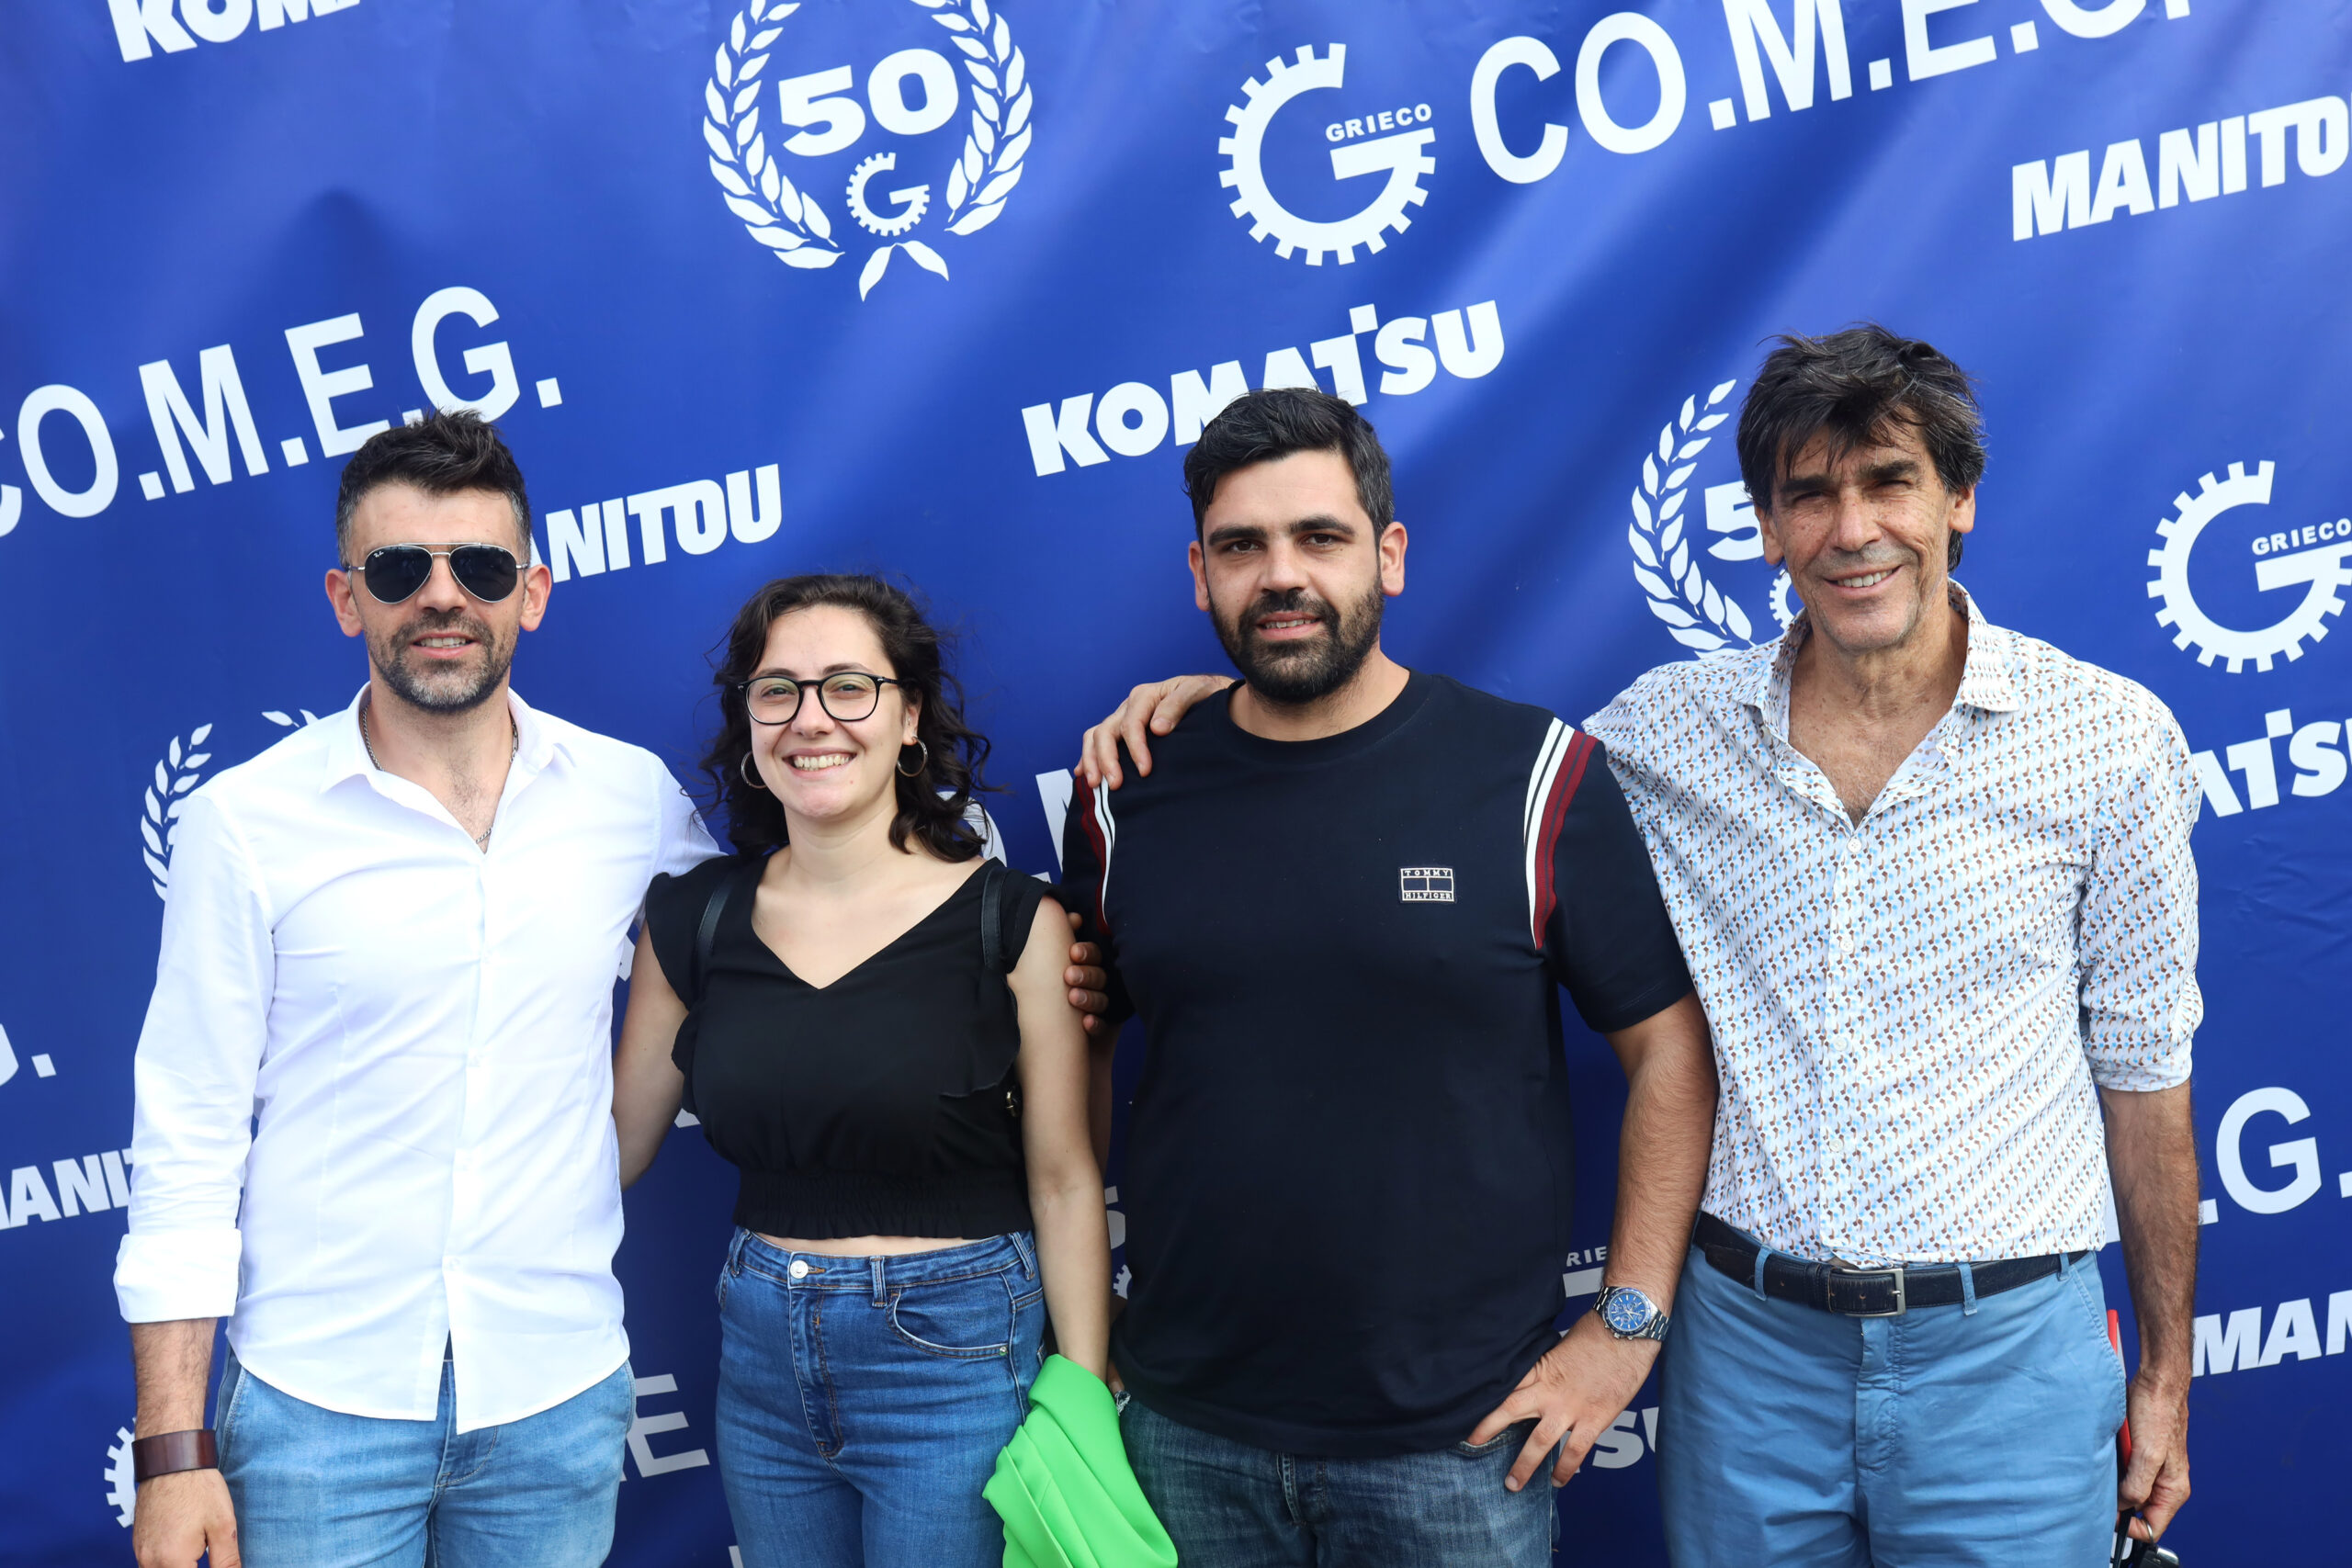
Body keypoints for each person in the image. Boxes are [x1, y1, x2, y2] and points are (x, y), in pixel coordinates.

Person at [1093, 330, 2203, 1564]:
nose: (1852, 529)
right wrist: (1222, 704)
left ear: (1959, 498)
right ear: (1766, 528)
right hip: (1752, 1353)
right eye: (1808, 494)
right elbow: (1406, 767)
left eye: (1889, 481)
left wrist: (2165, 1373)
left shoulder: (2109, 742)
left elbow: (2146, 1077)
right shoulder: (1660, 735)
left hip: (2008, 1347)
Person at [1057, 388, 1716, 1567]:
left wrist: (1626, 1328)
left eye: (1320, 536)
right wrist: (1082, 1334)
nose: (1282, 576)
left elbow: (1668, 1047)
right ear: (1200, 575)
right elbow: (1077, 1061)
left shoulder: (1533, 774)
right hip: (1182, 1432)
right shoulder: (1124, 793)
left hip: (1459, 1446)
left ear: (1389, 555)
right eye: (1241, 547)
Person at [115, 411, 719, 1568]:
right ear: (347, 599)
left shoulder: (628, 798)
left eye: (480, 567)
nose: (443, 596)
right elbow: (187, 1137)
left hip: (554, 1392)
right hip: (315, 1410)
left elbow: (780, 926)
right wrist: (172, 1452)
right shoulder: (245, 823)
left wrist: (1008, 941)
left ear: (531, 594)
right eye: (400, 569)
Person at [610, 574, 1113, 1568]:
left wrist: (1084, 1394)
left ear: (909, 714)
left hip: (957, 1360)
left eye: (849, 686)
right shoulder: (692, 921)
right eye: (778, 690)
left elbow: (1063, 1180)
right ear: (749, 722)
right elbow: (612, 1151)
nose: (812, 719)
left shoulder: (1012, 922)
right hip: (761, 1356)